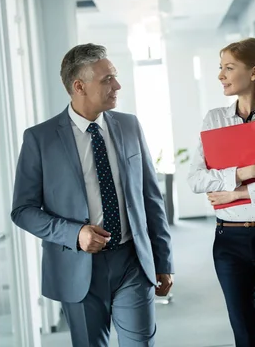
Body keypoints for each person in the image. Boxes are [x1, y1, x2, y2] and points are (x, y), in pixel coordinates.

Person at [11, 43, 174, 346]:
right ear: (79, 86)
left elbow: (151, 198)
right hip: (77, 267)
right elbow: (23, 210)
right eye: (107, 79)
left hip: (132, 261)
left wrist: (163, 260)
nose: (117, 86)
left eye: (115, 77)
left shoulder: (129, 125)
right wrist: (75, 234)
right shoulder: (40, 139)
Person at [188, 37, 255, 347]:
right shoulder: (215, 119)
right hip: (229, 242)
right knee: (246, 338)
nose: (220, 75)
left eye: (229, 67)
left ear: (253, 72)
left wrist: (237, 195)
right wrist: (247, 173)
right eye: (220, 68)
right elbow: (196, 179)